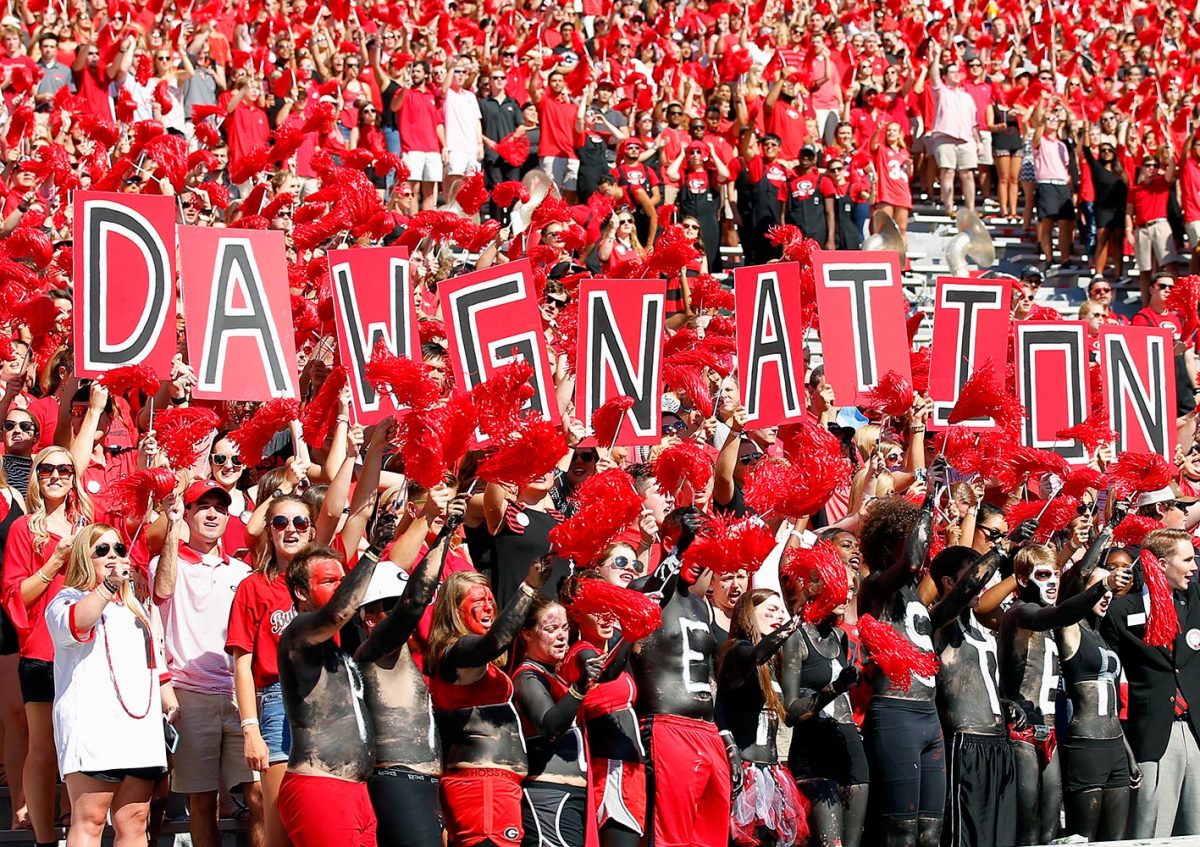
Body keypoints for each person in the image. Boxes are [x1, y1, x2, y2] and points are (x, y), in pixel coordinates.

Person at [275, 497, 400, 847]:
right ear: (301, 591)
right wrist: (373, 551)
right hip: (320, 788)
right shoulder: (297, 633)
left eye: (344, 581)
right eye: (330, 581)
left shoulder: (342, 645)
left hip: (357, 791)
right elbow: (336, 614)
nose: (343, 589)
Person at [150, 480, 261, 847]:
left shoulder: (242, 573)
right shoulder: (165, 562)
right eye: (203, 506)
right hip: (190, 694)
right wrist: (171, 526)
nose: (212, 513)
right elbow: (162, 590)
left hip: (237, 694)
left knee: (258, 795)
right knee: (202, 802)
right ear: (188, 514)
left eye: (220, 507)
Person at [45, 524, 167, 847]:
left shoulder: (135, 606)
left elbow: (153, 662)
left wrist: (169, 703)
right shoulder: (65, 599)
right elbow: (77, 623)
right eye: (102, 551)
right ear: (85, 558)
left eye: (119, 549)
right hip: (93, 730)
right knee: (91, 819)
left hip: (139, 729)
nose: (113, 556)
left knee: (136, 820)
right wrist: (108, 586)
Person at [355, 490, 464, 847]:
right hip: (396, 778)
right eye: (387, 606)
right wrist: (443, 531)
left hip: (423, 780)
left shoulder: (410, 654)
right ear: (369, 615)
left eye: (396, 603)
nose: (396, 612)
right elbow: (415, 603)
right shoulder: (373, 649)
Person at [425, 559, 553, 847]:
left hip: (497, 789)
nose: (488, 607)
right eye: (477, 600)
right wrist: (529, 587)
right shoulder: (455, 652)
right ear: (453, 610)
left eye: (490, 600)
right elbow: (495, 643)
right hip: (480, 789)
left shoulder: (485, 665)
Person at [2, 446, 91, 846]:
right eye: (48, 469)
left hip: (85, 650)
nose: (57, 476)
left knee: (81, 739)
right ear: (36, 476)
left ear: (74, 478)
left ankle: (78, 824)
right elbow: (16, 594)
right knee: (43, 746)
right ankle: (42, 836)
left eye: (65, 470)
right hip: (41, 651)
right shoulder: (24, 528)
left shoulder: (88, 523)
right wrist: (55, 560)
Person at [629, 508, 734, 847]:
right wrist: (676, 550)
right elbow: (658, 585)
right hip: (665, 727)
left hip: (707, 731)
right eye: (693, 548)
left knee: (710, 838)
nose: (700, 560)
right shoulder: (644, 587)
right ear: (671, 543)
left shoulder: (702, 606)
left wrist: (724, 736)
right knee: (670, 838)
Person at [226, 494, 315, 847]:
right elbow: (242, 664)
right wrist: (250, 730)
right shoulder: (253, 586)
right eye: (280, 522)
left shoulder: (327, 580)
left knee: (321, 814)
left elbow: (350, 511)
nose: (290, 529)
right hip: (277, 700)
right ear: (269, 531)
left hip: (329, 701)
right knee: (278, 822)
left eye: (300, 522)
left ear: (311, 531)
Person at [1100, 528, 1200, 838]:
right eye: (1187, 560)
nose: (1195, 567)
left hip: (1195, 729)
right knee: (1152, 827)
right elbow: (1109, 675)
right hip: (1155, 732)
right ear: (1161, 563)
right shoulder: (1120, 611)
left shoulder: (1194, 598)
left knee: (1196, 827)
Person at [779, 535, 869, 847]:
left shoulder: (840, 638)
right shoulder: (796, 637)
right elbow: (790, 711)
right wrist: (835, 688)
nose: (846, 594)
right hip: (813, 749)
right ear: (819, 588)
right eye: (841, 588)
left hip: (850, 747)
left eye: (850, 588)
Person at [716, 589, 807, 847]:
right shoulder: (738, 650)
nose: (779, 616)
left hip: (772, 771)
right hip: (745, 771)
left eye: (782, 610)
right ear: (749, 614)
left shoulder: (772, 664)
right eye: (771, 610)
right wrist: (793, 624)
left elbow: (791, 713)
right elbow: (757, 654)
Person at [560, 571, 643, 847]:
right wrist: (632, 631)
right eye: (596, 610)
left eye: (609, 607)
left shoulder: (614, 647)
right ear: (577, 615)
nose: (606, 616)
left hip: (632, 771)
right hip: (610, 772)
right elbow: (605, 674)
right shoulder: (580, 652)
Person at [512, 595, 598, 846]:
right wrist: (581, 686)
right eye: (550, 629)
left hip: (570, 795)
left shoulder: (555, 678)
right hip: (549, 797)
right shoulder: (527, 676)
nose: (561, 636)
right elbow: (550, 726)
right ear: (527, 634)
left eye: (564, 628)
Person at [928, 42, 980, 215]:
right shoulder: (941, 91)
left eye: (958, 72)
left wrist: (978, 142)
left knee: (968, 174)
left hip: (966, 138)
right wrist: (936, 57)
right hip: (945, 136)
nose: (957, 75)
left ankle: (971, 209)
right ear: (945, 76)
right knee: (948, 172)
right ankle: (949, 207)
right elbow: (934, 75)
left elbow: (973, 123)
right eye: (952, 72)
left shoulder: (967, 97)